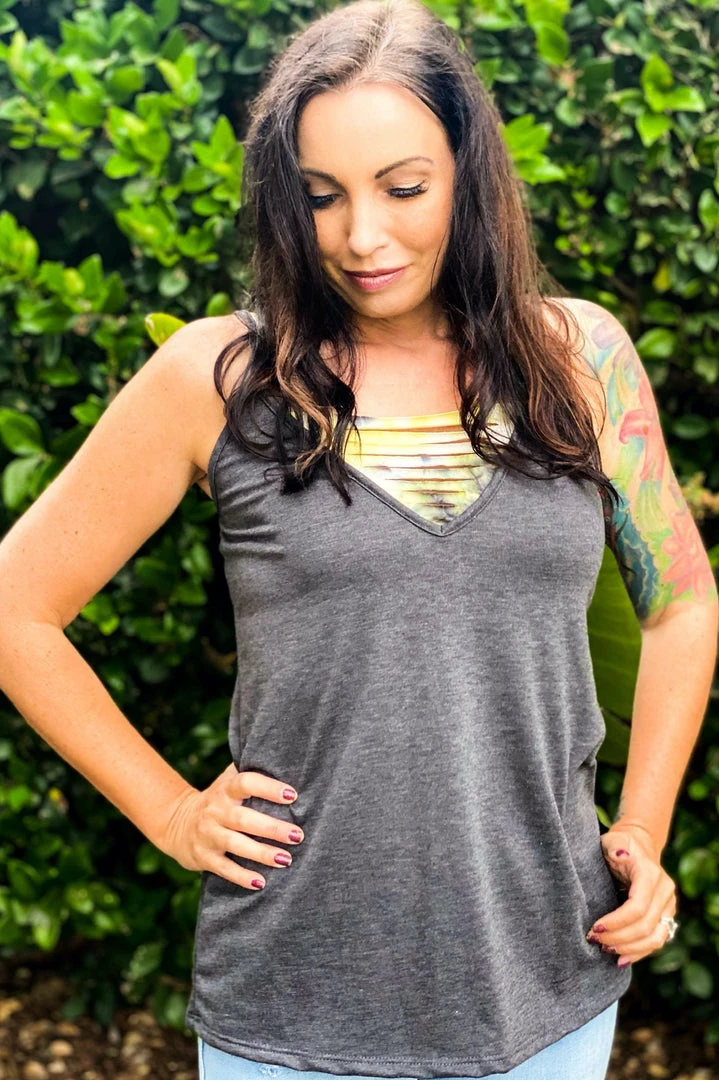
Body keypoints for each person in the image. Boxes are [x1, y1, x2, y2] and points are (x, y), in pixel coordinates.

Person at [0, 0, 716, 1077]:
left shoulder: (580, 362)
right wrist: (170, 812)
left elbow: (679, 605)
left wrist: (644, 830)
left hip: (549, 987)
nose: (360, 237)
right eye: (321, 195)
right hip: (292, 1006)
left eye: (403, 188)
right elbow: (15, 607)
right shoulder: (218, 380)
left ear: (469, 175)